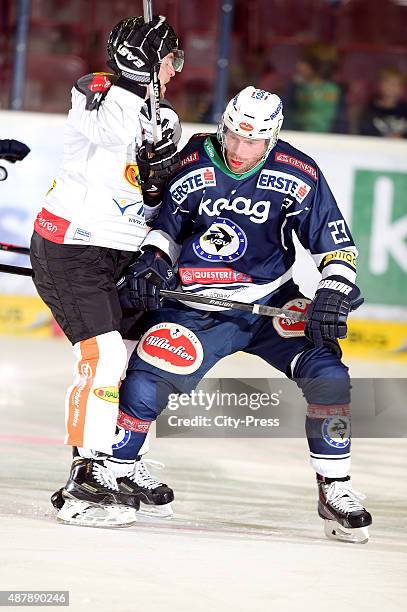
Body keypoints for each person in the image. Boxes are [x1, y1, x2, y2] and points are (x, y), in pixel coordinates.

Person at [110, 86, 372, 543]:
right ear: (223, 126)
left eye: (252, 142)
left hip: (268, 300)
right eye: (233, 136)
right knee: (146, 380)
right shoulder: (193, 159)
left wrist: (333, 290)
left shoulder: (300, 171)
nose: (239, 149)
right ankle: (118, 471)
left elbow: (336, 247)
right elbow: (167, 227)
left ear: (271, 139)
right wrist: (151, 263)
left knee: (329, 376)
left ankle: (335, 487)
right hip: (197, 306)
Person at [29, 15, 183, 527]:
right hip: (71, 244)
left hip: (121, 252)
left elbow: (152, 195)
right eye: (168, 60)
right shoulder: (98, 94)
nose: (174, 71)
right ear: (143, 63)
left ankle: (117, 459)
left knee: (141, 354)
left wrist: (161, 164)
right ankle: (84, 481)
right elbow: (103, 119)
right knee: (103, 353)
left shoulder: (165, 117)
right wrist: (135, 89)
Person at [284, 43, 347, 133]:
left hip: (329, 141)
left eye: (303, 62)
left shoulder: (336, 90)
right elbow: (286, 115)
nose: (298, 66)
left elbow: (341, 122)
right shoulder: (295, 88)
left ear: (316, 66)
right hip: (298, 137)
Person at [359, 66, 407, 138]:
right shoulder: (370, 109)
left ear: (402, 88)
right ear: (380, 85)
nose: (392, 88)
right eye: (388, 83)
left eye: (397, 84)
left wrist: (401, 137)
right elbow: (364, 132)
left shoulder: (405, 110)